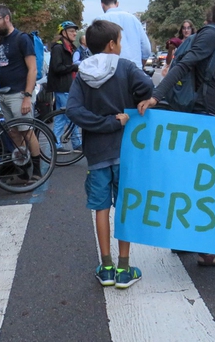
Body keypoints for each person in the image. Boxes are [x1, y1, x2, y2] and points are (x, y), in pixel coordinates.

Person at [138, 0, 215, 266]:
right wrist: (156, 95)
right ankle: (206, 248)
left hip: (211, 117)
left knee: (194, 181)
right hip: (205, 119)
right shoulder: (212, 34)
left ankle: (182, 240)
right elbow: (183, 65)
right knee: (207, 186)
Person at [67, 20, 153, 289]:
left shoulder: (82, 74)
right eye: (120, 40)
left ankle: (105, 267)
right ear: (112, 44)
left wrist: (103, 123)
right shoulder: (125, 67)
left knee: (101, 208)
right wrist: (122, 117)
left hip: (96, 152)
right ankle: (125, 269)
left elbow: (73, 110)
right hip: (126, 150)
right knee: (124, 207)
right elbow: (147, 87)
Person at [0, 4, 42, 180]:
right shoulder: (3, 39)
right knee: (13, 133)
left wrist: (27, 96)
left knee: (27, 131)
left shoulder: (22, 39)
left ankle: (38, 171)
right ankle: (24, 169)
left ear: (7, 18)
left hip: (19, 94)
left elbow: (32, 69)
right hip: (4, 95)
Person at [48, 20, 82, 155]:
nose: (74, 33)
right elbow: (57, 68)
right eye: (71, 31)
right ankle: (76, 143)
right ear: (63, 33)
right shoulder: (58, 48)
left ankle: (56, 144)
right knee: (71, 115)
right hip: (63, 86)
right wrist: (74, 67)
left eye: (75, 31)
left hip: (68, 85)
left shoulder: (70, 47)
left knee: (61, 117)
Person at [94, 0, 152, 68]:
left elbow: (94, 50)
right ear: (117, 4)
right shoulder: (134, 19)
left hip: (109, 71)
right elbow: (146, 49)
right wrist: (139, 66)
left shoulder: (99, 21)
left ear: (102, 5)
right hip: (134, 70)